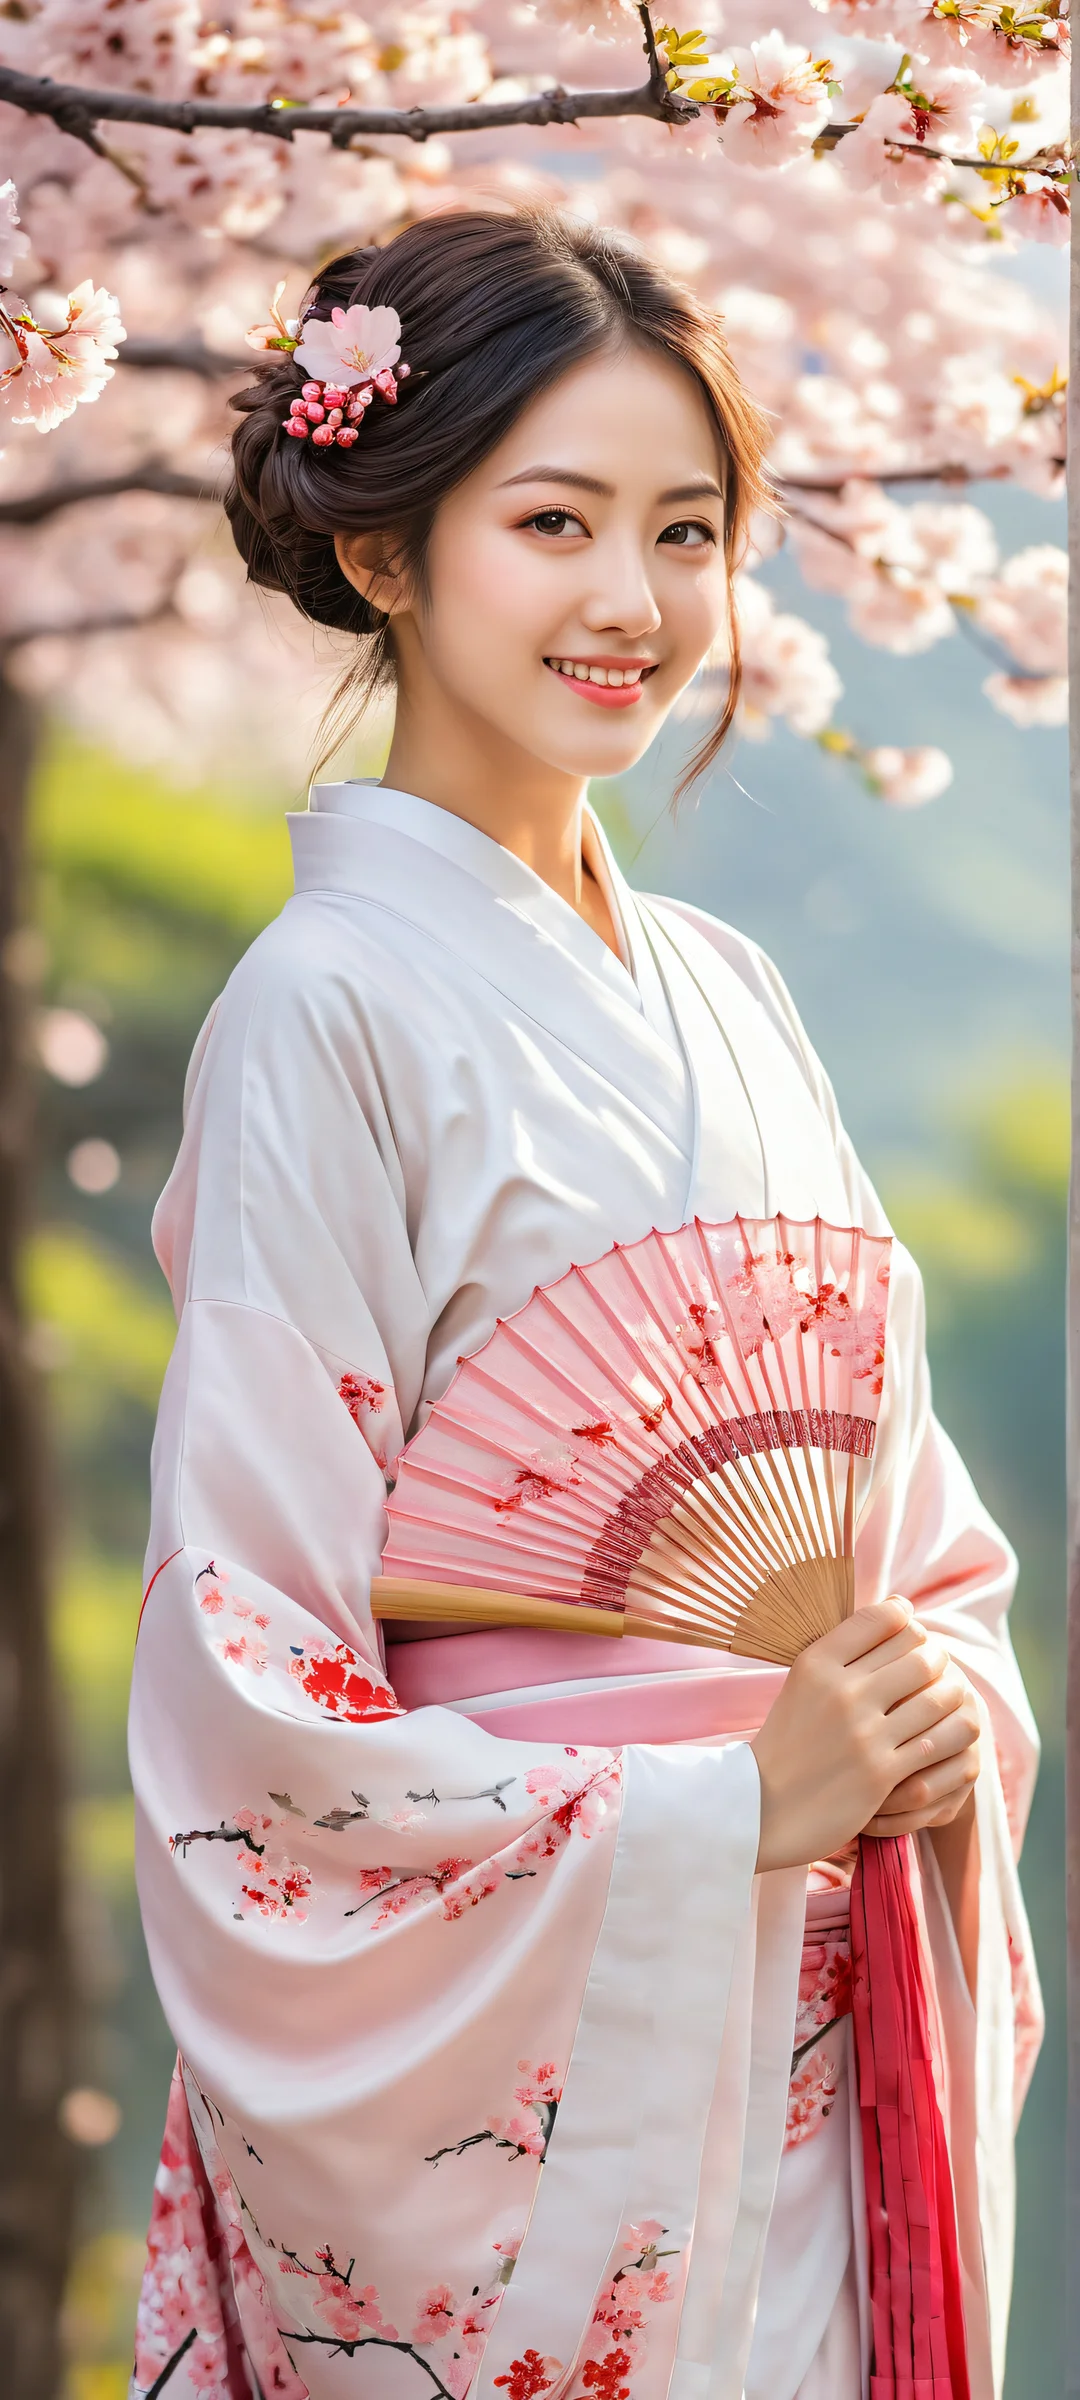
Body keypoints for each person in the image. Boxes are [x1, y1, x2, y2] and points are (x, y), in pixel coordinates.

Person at [129, 210, 1041, 2400]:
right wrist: (733, 1805)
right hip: (555, 2062)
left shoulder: (731, 992)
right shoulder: (323, 1009)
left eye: (687, 532)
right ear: (386, 556)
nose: (632, 604)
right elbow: (254, 1692)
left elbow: (908, 1539)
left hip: (808, 2030)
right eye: (554, 523)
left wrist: (911, 1715)